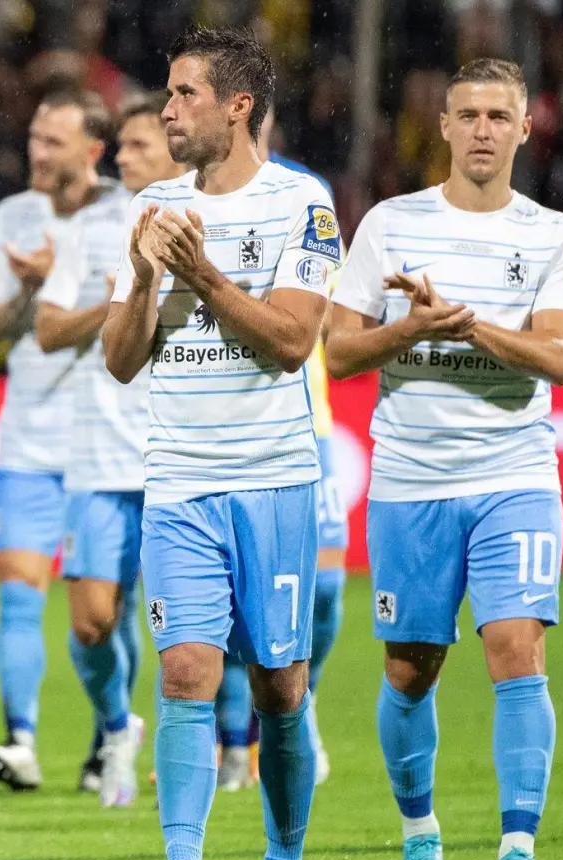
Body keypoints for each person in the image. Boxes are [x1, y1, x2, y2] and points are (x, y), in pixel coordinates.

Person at [325, 57, 563, 860]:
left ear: (523, 127)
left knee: (517, 647)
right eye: (465, 115)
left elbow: (560, 357)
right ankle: (420, 832)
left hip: (515, 473)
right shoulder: (390, 225)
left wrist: (468, 328)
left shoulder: (551, 233)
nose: (480, 130)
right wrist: (411, 330)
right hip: (410, 479)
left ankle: (517, 849)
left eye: (496, 117)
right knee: (410, 668)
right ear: (441, 126)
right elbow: (336, 350)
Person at [99, 28, 339, 860]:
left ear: (238, 107)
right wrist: (143, 274)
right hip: (178, 484)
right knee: (185, 670)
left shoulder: (300, 205)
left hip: (272, 480)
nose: (167, 109)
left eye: (185, 94)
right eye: (167, 93)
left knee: (279, 687)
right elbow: (121, 359)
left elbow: (289, 341)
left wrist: (201, 277)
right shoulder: (152, 208)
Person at [0, 88, 141, 798]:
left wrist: (72, 296)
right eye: (33, 138)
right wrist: (32, 293)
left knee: (105, 615)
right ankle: (21, 742)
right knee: (17, 592)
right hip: (31, 436)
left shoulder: (128, 208)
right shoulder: (14, 215)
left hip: (111, 441)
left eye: (52, 142)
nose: (36, 152)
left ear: (92, 151)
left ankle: (113, 732)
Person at [28, 90, 186, 808]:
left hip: (180, 455)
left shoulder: (206, 221)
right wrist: (123, 300)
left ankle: (216, 748)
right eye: (117, 147)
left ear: (174, 150)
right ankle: (120, 725)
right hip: (97, 457)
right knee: (91, 623)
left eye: (136, 147)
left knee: (188, 628)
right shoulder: (94, 228)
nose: (120, 158)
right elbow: (48, 328)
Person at [212, 106, 345, 792]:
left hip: (307, 424)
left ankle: (301, 697)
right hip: (224, 428)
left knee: (322, 592)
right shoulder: (187, 198)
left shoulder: (304, 195)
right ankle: (236, 738)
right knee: (234, 599)